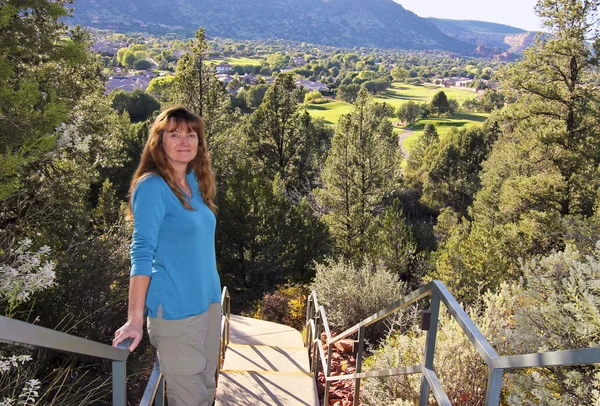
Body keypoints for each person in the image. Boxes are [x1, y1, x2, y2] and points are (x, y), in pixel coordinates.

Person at [112, 106, 222, 406]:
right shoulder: (152, 187)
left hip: (209, 305)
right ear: (159, 141)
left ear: (200, 143)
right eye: (174, 134)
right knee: (189, 398)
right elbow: (142, 250)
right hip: (176, 313)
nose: (184, 141)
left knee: (207, 387)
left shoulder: (195, 185)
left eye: (192, 135)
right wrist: (135, 318)